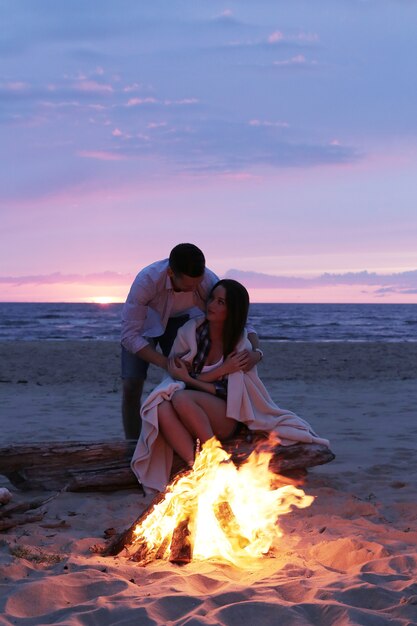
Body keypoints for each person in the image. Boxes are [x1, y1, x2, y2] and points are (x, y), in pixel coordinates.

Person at [131, 279, 330, 492]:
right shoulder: (191, 333)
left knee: (181, 397)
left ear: (232, 310)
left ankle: (215, 458)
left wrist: (191, 380)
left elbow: (228, 393)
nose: (212, 305)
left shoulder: (239, 344)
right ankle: (200, 468)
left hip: (227, 416)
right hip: (190, 413)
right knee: (160, 405)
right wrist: (215, 373)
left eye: (220, 302)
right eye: (212, 299)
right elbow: (175, 379)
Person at [121, 244, 261, 439]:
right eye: (189, 286)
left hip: (181, 325)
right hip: (144, 326)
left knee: (185, 383)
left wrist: (256, 352)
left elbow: (240, 319)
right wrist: (166, 363)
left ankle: (196, 436)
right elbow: (129, 336)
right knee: (131, 385)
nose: (196, 289)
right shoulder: (147, 281)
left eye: (198, 284)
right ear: (171, 272)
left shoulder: (207, 280)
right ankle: (132, 444)